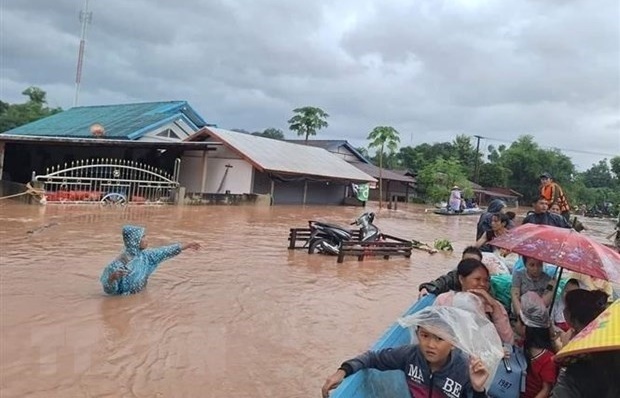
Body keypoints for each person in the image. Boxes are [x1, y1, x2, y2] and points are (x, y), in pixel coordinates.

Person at [321, 310, 490, 398]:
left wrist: (479, 389)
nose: (430, 345)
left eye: (439, 338)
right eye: (424, 336)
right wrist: (342, 371)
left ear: (453, 343)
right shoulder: (410, 355)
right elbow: (372, 358)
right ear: (417, 335)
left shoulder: (464, 369)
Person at [550, 290, 616, 398]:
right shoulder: (607, 340)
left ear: (574, 319)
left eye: (565, 307)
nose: (563, 310)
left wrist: (566, 356)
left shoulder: (579, 361)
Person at [100, 225, 201, 295]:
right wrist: (111, 278)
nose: (147, 239)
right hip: (123, 301)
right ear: (134, 240)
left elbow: (164, 251)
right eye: (143, 237)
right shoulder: (120, 263)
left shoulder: (145, 256)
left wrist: (186, 246)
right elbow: (108, 291)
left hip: (140, 296)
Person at [434, 259, 513, 343]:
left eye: (486, 280)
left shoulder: (492, 306)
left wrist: (494, 306)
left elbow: (507, 340)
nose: (482, 284)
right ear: (461, 279)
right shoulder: (445, 299)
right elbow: (434, 329)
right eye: (477, 279)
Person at [516, 292, 558, 398]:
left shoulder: (548, 359)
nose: (515, 324)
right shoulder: (521, 346)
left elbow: (546, 389)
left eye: (518, 321)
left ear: (526, 327)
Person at [418, 246, 483, 297]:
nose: (469, 266)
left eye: (474, 263)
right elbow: (441, 282)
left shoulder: (484, 281)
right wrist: (425, 288)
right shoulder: (454, 276)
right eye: (466, 262)